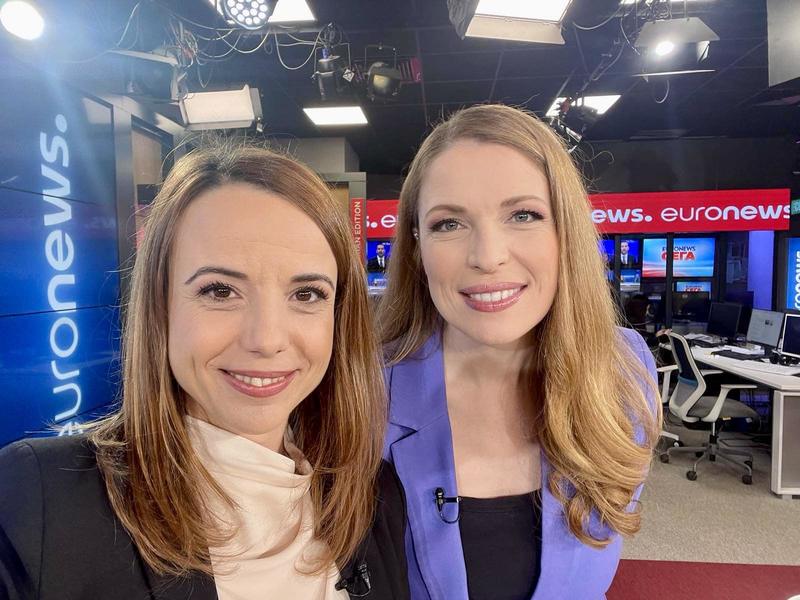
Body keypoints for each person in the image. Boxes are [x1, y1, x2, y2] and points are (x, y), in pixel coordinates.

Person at [0, 144, 408, 599]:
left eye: (306, 294)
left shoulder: (373, 497)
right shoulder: (42, 500)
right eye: (220, 291)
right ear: (161, 305)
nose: (267, 338)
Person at [377, 104, 660, 600]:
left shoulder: (624, 370)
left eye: (523, 215)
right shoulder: (363, 392)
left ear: (565, 232)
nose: (488, 257)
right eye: (449, 224)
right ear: (417, 247)